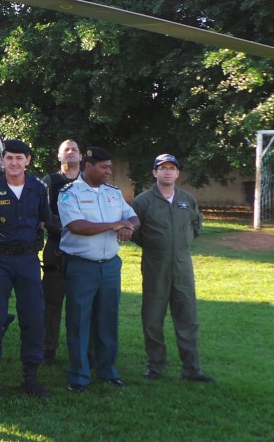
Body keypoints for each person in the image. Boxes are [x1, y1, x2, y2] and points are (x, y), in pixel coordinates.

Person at [0, 139, 52, 399]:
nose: (14, 163)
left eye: (20, 158)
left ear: (28, 160)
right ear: (3, 160)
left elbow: (42, 221)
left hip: (28, 261)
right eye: (9, 158)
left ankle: (31, 378)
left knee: (33, 319)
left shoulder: (38, 189)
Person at [57, 146, 140, 393]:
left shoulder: (113, 193)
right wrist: (115, 225)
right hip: (81, 267)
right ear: (89, 165)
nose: (109, 171)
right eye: (104, 167)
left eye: (110, 167)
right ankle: (79, 375)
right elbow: (76, 226)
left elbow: (133, 217)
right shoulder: (69, 193)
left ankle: (107, 370)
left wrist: (129, 227)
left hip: (110, 267)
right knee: (79, 322)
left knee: (107, 319)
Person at [131, 154, 215, 383]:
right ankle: (155, 366)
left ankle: (192, 369)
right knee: (152, 320)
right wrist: (157, 246)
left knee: (187, 318)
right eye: (163, 168)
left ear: (178, 173)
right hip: (155, 268)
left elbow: (195, 227)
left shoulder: (187, 199)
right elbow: (135, 232)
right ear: (154, 173)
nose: (167, 172)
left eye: (172, 168)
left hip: (182, 268)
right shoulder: (142, 201)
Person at [40, 139, 82, 366]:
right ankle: (49, 348)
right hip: (57, 248)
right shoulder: (51, 182)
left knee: (83, 303)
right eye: (66, 149)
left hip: (84, 249)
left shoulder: (88, 182)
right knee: (52, 301)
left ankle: (85, 349)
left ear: (81, 157)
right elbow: (44, 214)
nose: (71, 152)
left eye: (75, 149)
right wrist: (69, 228)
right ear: (59, 157)